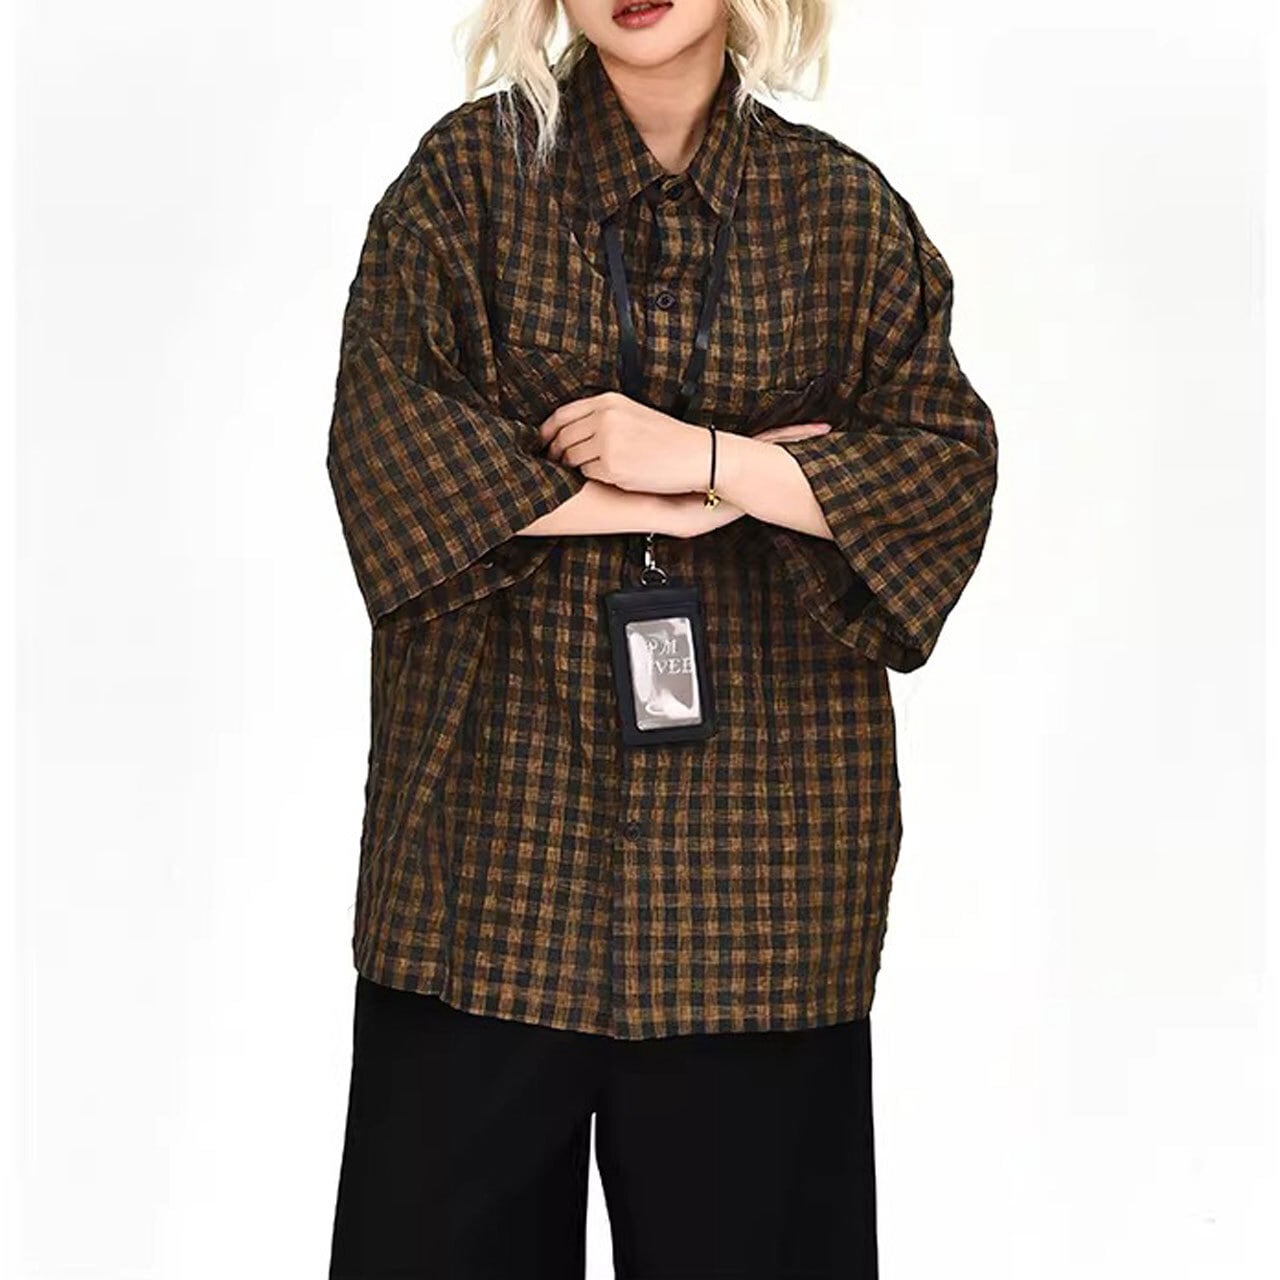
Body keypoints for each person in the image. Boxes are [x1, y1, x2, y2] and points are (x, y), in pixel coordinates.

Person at [324, 1, 998, 1276]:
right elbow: (384, 445)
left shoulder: (842, 215)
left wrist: (705, 456)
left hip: (763, 883)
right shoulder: (465, 183)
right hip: (484, 860)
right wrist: (669, 497)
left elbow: (942, 477)